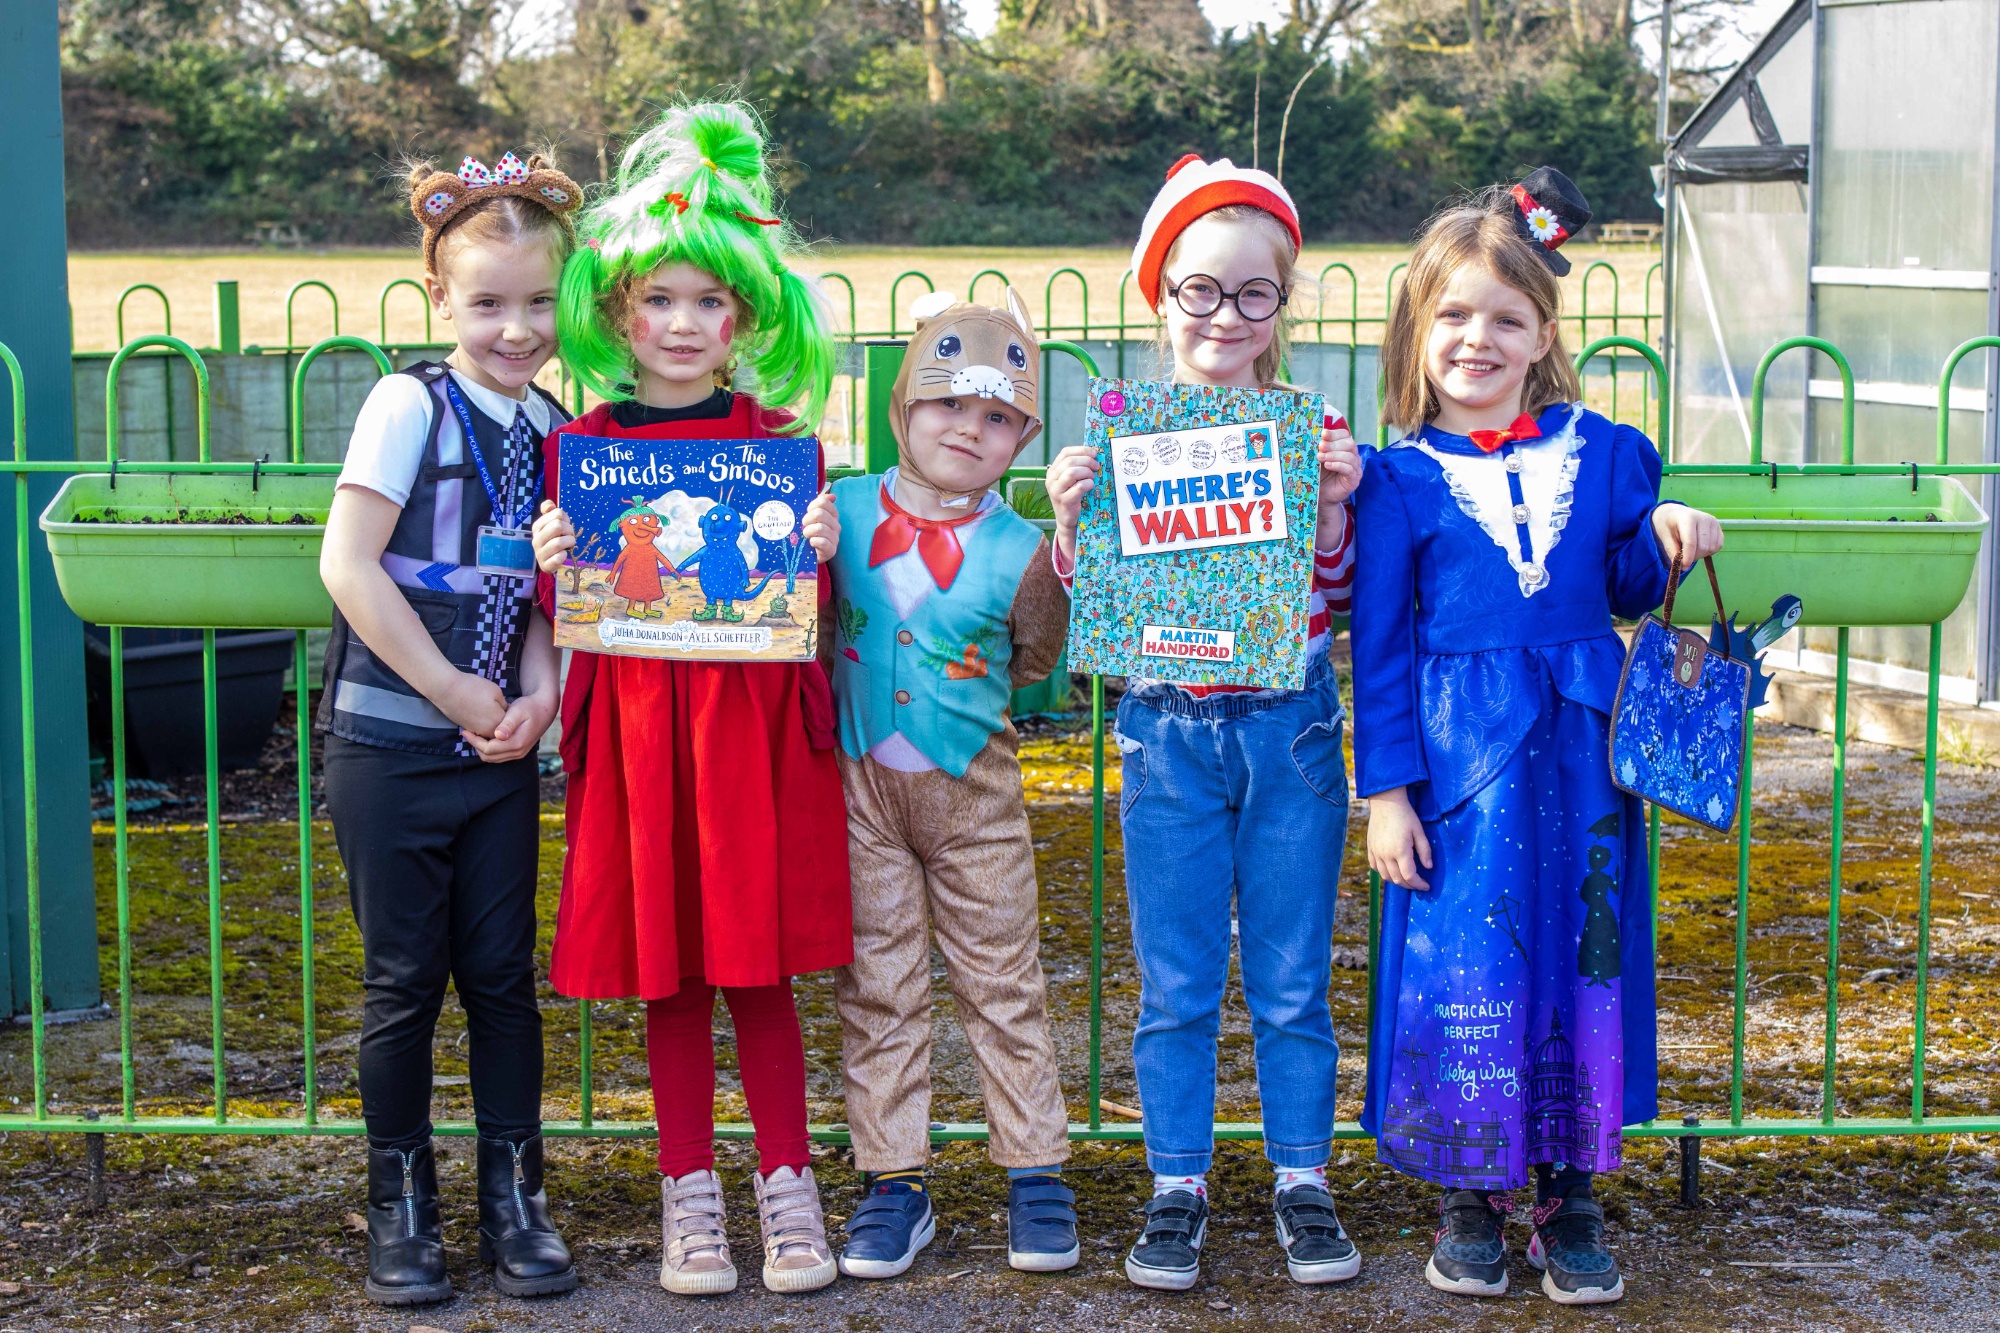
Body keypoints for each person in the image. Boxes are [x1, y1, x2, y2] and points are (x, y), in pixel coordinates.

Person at [1349, 167, 1725, 1306]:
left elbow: (1616, 581)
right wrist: (1387, 794)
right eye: (1451, 316)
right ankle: (1468, 1192)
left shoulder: (1608, 452)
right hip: (1458, 774)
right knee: (1464, 964)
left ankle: (1567, 1188)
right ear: (1415, 335)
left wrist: (1663, 535)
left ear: (1543, 332)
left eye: (1503, 317)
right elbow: (1376, 650)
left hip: (1580, 760)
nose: (1476, 337)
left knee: (1583, 955)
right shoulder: (1392, 481)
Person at [528, 101, 848, 1299]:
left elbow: (807, 607)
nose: (680, 323)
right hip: (642, 731)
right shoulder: (589, 445)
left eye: (706, 302)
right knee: (670, 968)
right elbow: (584, 602)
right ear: (617, 311)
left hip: (747, 738)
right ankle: (689, 1197)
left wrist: (818, 546)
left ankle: (786, 1182)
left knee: (755, 965)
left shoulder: (783, 448)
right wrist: (557, 553)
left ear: (744, 317)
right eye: (658, 300)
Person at [1044, 155, 1364, 1293]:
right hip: (1166, 732)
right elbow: (1101, 610)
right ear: (1161, 295)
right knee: (1174, 980)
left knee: (1288, 981)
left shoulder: (1311, 431)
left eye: (1252, 292)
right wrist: (1075, 525)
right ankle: (1175, 1183)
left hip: (1287, 726)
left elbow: (1330, 595)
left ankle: (1300, 1181)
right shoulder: (1124, 436)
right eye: (1199, 289)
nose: (1224, 315)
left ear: (1284, 301)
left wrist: (1332, 507)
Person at [317, 149, 584, 1306]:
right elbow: (349, 567)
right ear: (442, 298)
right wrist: (454, 692)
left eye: (537, 304)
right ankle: (401, 1206)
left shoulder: (554, 423)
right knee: (402, 982)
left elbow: (535, 588)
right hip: (393, 748)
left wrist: (539, 694)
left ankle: (515, 1198)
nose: (515, 330)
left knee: (501, 978)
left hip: (496, 754)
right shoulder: (404, 403)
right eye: (489, 304)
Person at [805, 290, 1080, 1281]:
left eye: (999, 416)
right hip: (861, 795)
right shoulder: (837, 508)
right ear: (899, 410)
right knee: (876, 984)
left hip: (977, 799)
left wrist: (1066, 559)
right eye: (946, 405)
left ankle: (1036, 1169)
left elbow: (1040, 658)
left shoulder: (1023, 548)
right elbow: (801, 626)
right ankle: (892, 1178)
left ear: (1022, 436)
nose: (970, 428)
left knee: (1002, 981)